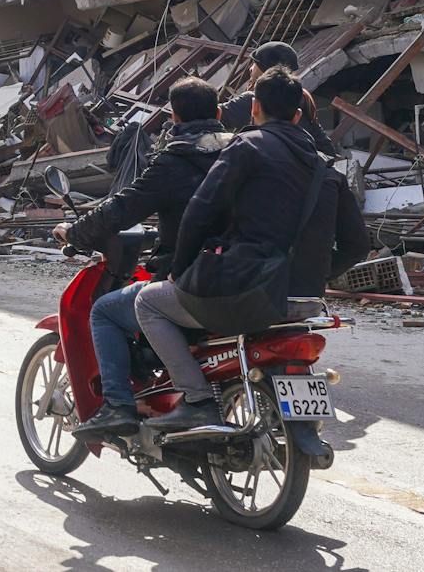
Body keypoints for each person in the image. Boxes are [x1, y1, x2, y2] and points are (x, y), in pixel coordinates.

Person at [133, 69, 368, 436]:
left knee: (148, 302)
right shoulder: (327, 169)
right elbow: (358, 245)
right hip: (305, 303)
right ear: (297, 115)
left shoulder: (247, 147)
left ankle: (197, 400)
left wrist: (179, 271)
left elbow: (199, 211)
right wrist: (314, 273)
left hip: (251, 293)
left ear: (254, 107)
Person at [63, 78, 235, 441]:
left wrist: (75, 233)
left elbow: (122, 208)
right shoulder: (242, 155)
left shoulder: (174, 162)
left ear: (172, 117)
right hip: (249, 275)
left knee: (106, 310)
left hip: (197, 282)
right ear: (219, 114)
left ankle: (118, 406)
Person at [219, 41, 335, 155]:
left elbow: (212, 113)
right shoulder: (303, 98)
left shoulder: (254, 99)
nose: (250, 68)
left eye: (255, 64)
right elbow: (326, 148)